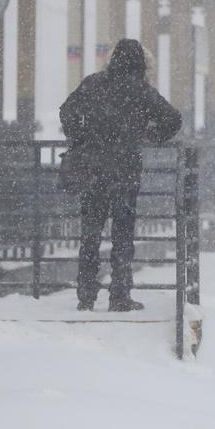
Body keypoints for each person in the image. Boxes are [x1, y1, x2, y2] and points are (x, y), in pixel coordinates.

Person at [59, 38, 182, 312]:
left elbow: (67, 110)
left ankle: (86, 294)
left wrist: (79, 138)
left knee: (90, 232)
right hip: (125, 170)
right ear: (139, 62)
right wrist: (151, 135)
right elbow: (174, 119)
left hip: (92, 168)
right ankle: (120, 295)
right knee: (123, 235)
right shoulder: (141, 91)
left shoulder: (93, 83)